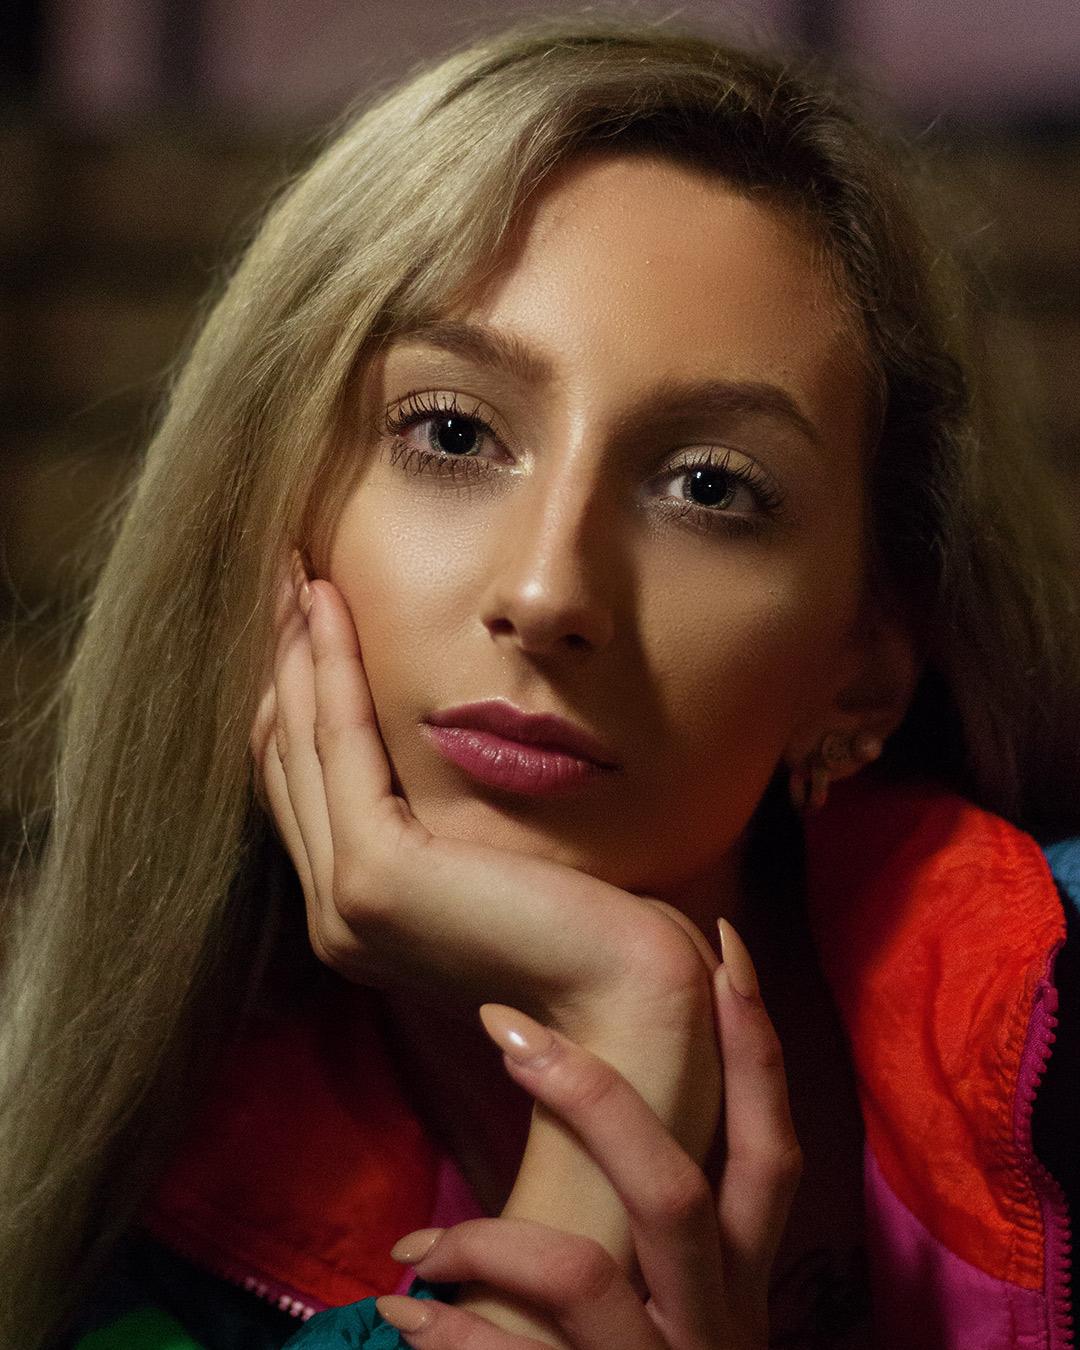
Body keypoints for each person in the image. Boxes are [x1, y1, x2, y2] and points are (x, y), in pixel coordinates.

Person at [2, 13, 1078, 1350]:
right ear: (263, 522)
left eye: (708, 487)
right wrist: (625, 1024)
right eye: (451, 431)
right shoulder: (133, 1253)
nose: (551, 590)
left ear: (862, 657)